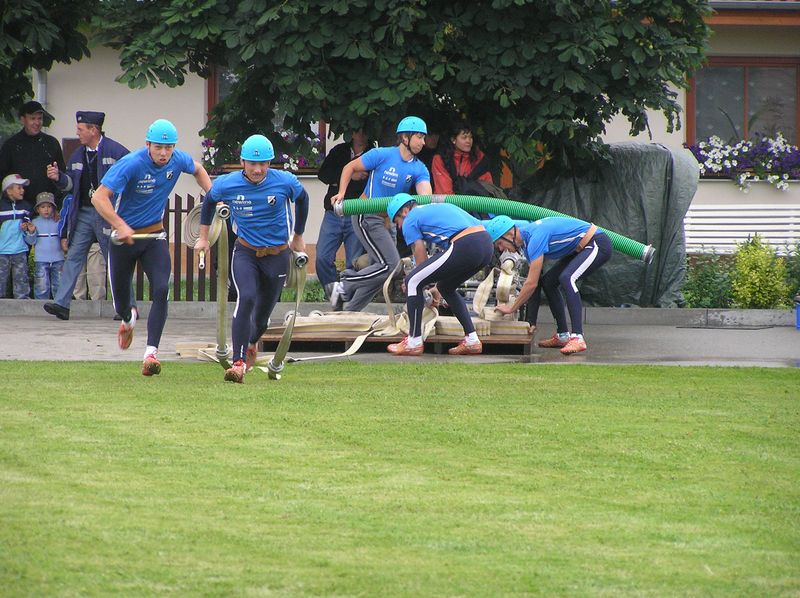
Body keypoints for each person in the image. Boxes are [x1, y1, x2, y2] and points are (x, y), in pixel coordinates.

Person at [91, 118, 212, 376]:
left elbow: (199, 169)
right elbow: (99, 197)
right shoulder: (131, 164)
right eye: (158, 147)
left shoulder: (178, 159)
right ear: (148, 145)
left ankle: (151, 353)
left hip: (154, 236)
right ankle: (128, 319)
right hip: (123, 240)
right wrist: (119, 224)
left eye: (169, 147)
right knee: (121, 304)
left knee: (161, 288)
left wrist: (213, 197)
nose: (164, 153)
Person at [195, 134, 309, 384]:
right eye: (253, 164)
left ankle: (251, 342)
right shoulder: (227, 184)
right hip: (245, 252)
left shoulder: (285, 181)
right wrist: (203, 237)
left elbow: (303, 199)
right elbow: (209, 201)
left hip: (277, 254)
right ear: (243, 162)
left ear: (270, 163)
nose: (258, 170)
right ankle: (237, 363)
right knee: (245, 297)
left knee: (261, 319)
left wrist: (298, 236)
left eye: (263, 164)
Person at [329, 116, 433, 311]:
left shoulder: (419, 168)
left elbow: (425, 195)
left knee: (384, 272)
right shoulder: (382, 154)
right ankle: (343, 284)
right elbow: (350, 167)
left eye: (423, 138)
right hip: (366, 214)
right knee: (391, 265)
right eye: (419, 137)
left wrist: (426, 204)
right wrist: (342, 193)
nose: (423, 142)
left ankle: (349, 311)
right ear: (405, 137)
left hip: (387, 222)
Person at [43, 111, 130, 320]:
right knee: (74, 256)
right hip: (84, 213)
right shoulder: (77, 155)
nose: (77, 132)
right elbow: (70, 185)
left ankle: (126, 307)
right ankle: (62, 305)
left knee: (115, 259)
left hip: (107, 213)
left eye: (80, 129)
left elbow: (131, 177)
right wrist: (58, 177)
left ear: (93, 130)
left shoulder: (116, 151)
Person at [385, 193, 494, 356]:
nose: (400, 227)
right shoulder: (434, 209)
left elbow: (420, 253)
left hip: (466, 242)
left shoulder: (410, 219)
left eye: (397, 221)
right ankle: (472, 340)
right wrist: (433, 286)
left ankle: (413, 342)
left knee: (412, 281)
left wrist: (419, 283)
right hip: (485, 244)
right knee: (445, 287)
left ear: (404, 211)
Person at [486, 215, 612, 355]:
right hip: (581, 248)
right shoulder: (527, 243)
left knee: (567, 278)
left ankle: (578, 337)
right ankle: (563, 336)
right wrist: (531, 321)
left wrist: (511, 308)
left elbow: (531, 283)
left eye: (500, 243)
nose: (502, 249)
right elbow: (535, 283)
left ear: (510, 234)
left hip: (596, 243)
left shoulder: (535, 239)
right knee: (549, 282)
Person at [315, 129, 367, 297]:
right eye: (357, 131)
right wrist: (350, 176)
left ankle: (349, 299)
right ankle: (333, 295)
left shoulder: (372, 154)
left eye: (364, 131)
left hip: (357, 213)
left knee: (354, 262)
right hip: (334, 212)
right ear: (351, 133)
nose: (361, 135)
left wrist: (343, 182)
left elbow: (371, 183)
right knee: (322, 257)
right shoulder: (339, 151)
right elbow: (324, 175)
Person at [0, 101, 68, 207]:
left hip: (47, 207)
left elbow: (61, 174)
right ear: (23, 120)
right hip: (19, 208)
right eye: (32, 118)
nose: (37, 122)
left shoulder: (51, 143)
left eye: (39, 118)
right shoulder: (11, 145)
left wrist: (57, 204)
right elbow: (3, 177)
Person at [431, 121, 494, 196]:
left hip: (476, 202)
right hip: (447, 202)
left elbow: (487, 188)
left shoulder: (480, 159)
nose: (468, 141)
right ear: (453, 140)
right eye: (464, 137)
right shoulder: (440, 159)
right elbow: (444, 192)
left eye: (470, 137)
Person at [24, 192, 64, 299]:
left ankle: (59, 304)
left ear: (53, 208)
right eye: (43, 207)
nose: (46, 209)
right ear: (38, 209)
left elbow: (64, 237)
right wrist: (31, 232)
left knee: (59, 284)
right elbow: (31, 242)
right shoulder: (34, 222)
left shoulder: (58, 221)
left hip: (58, 259)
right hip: (41, 260)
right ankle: (40, 306)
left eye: (49, 206)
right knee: (41, 286)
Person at [0, 175, 33, 298]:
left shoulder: (26, 207)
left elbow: (28, 225)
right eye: (18, 188)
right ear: (8, 190)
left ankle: (22, 302)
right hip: (1, 251)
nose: (22, 190)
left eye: (23, 187)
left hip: (19, 249)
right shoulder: (1, 206)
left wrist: (26, 228)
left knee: (21, 279)